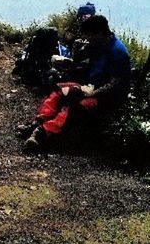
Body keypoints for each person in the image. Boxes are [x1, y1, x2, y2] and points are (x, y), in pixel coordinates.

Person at [23, 15, 131, 152]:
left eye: (89, 36)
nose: (87, 39)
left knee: (75, 106)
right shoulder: (98, 46)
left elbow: (115, 83)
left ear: (99, 33)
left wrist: (91, 93)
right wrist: (73, 59)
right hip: (90, 87)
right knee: (59, 90)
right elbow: (87, 65)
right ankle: (38, 122)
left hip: (106, 97)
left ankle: (42, 133)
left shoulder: (118, 52)